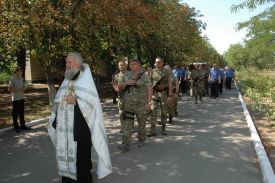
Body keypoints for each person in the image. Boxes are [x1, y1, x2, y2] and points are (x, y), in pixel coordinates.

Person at [48, 52, 112, 183]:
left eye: (69, 62)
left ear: (78, 63)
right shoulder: (67, 80)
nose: (66, 65)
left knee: (82, 167)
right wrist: (54, 121)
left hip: (81, 133)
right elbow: (58, 102)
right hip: (65, 133)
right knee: (66, 164)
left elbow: (91, 107)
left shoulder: (86, 82)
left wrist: (76, 102)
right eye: (66, 62)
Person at [116, 58, 152, 152]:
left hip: (141, 104)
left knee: (142, 122)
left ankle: (141, 138)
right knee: (127, 123)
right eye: (131, 64)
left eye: (134, 64)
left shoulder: (144, 75)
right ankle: (126, 143)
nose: (132, 66)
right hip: (128, 104)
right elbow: (119, 88)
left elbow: (149, 89)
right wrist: (126, 83)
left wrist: (149, 102)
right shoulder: (126, 75)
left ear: (139, 65)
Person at [148, 57, 173, 136]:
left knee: (164, 112)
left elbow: (170, 83)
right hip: (154, 94)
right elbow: (150, 84)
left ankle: (163, 129)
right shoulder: (152, 71)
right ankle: (152, 130)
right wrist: (149, 95)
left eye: (158, 62)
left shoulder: (167, 71)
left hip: (164, 94)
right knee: (153, 111)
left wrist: (170, 95)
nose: (157, 63)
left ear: (162, 62)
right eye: (156, 62)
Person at [9, 67, 30, 133]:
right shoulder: (12, 79)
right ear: (16, 72)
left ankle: (23, 125)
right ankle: (16, 127)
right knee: (15, 113)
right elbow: (9, 89)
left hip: (21, 97)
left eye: (21, 71)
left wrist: (24, 88)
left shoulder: (21, 78)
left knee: (22, 112)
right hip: (15, 98)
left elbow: (23, 87)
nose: (21, 72)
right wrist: (18, 90)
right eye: (20, 71)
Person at [112, 58, 128, 133]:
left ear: (125, 65)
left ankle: (129, 126)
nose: (120, 66)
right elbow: (114, 84)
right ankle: (123, 126)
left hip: (130, 96)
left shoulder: (130, 74)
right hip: (121, 96)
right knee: (121, 112)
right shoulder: (116, 76)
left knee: (129, 112)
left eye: (122, 65)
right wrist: (116, 89)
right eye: (119, 65)